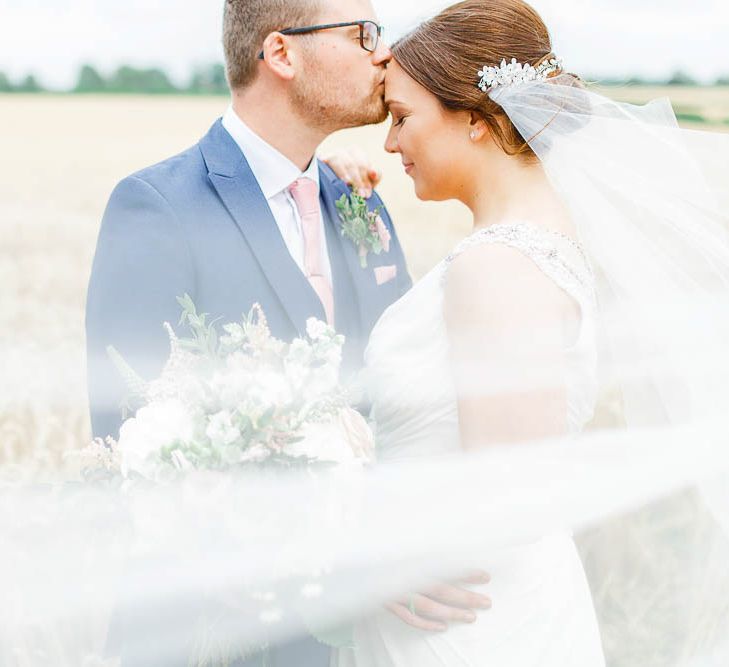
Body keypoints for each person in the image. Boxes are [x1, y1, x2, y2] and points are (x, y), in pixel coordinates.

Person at [86, 1, 494, 664]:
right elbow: (137, 451)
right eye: (362, 34)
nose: (383, 54)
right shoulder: (156, 208)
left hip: (368, 639)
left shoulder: (357, 199)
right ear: (282, 54)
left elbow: (394, 402)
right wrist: (357, 565)